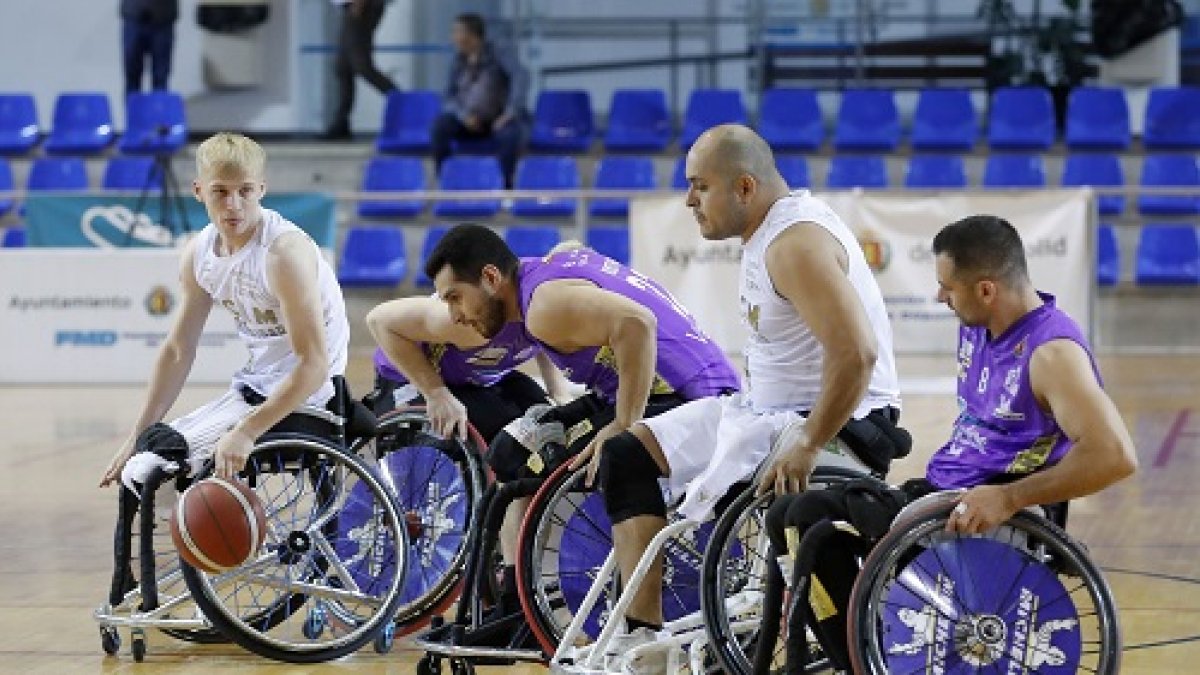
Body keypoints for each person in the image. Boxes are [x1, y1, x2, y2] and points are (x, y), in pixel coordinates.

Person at [569, 123, 906, 672]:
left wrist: (810, 439)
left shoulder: (795, 243)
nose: (688, 199)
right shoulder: (764, 233)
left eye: (700, 185)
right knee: (627, 453)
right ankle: (644, 640)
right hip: (764, 412)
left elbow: (858, 356)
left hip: (836, 423)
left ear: (745, 187)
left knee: (745, 504)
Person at [766, 214, 1138, 671]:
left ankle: (861, 660)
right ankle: (863, 652)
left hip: (980, 510)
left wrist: (1008, 497)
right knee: (787, 512)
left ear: (986, 289)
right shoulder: (978, 326)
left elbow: (1115, 455)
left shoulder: (1052, 355)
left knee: (808, 521)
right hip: (938, 494)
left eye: (948, 287)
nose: (939, 296)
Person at [423, 225, 741, 629]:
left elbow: (637, 323)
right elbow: (578, 253)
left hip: (690, 398)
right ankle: (516, 601)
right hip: (650, 389)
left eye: (455, 298)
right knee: (511, 452)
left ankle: (560, 607)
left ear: (490, 277)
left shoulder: (543, 306)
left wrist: (625, 423)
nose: (454, 315)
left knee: (589, 455)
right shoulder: (547, 275)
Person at [98, 131, 350, 493]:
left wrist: (246, 431)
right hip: (253, 387)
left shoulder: (283, 254)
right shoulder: (199, 253)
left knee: (151, 471)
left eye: (245, 190)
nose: (233, 204)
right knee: (145, 456)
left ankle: (227, 539)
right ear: (199, 191)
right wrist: (135, 436)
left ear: (261, 189)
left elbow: (313, 366)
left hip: (312, 396)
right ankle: (214, 544)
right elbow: (177, 350)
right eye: (220, 191)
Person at [365, 294, 572, 442]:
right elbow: (378, 321)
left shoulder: (552, 317)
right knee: (507, 430)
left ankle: (518, 500)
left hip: (475, 375)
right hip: (411, 376)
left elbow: (545, 342)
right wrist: (437, 394)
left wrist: (558, 392)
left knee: (549, 420)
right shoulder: (475, 319)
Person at [431, 13, 528, 189]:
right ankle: (444, 180)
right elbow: (448, 96)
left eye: (456, 32)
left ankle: (505, 186)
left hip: (498, 119)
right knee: (440, 126)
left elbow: (520, 76)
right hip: (468, 121)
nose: (452, 37)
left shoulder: (498, 52)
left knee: (510, 136)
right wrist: (463, 116)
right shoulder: (457, 60)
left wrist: (510, 112)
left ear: (472, 36)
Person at [323, 0, 399, 140]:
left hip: (362, 7)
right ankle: (341, 122)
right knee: (343, 67)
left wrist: (359, 4)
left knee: (362, 66)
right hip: (352, 8)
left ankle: (402, 101)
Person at [121, 0, 179, 95]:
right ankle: (133, 109)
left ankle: (158, 108)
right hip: (134, 16)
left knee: (160, 78)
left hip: (162, 19)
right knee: (132, 75)